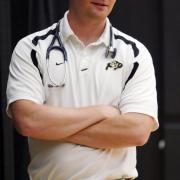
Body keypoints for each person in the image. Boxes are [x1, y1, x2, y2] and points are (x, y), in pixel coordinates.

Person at [6, 0, 159, 179]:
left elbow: (137, 131)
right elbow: (27, 121)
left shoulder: (135, 53)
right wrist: (101, 112)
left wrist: (52, 128)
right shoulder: (31, 48)